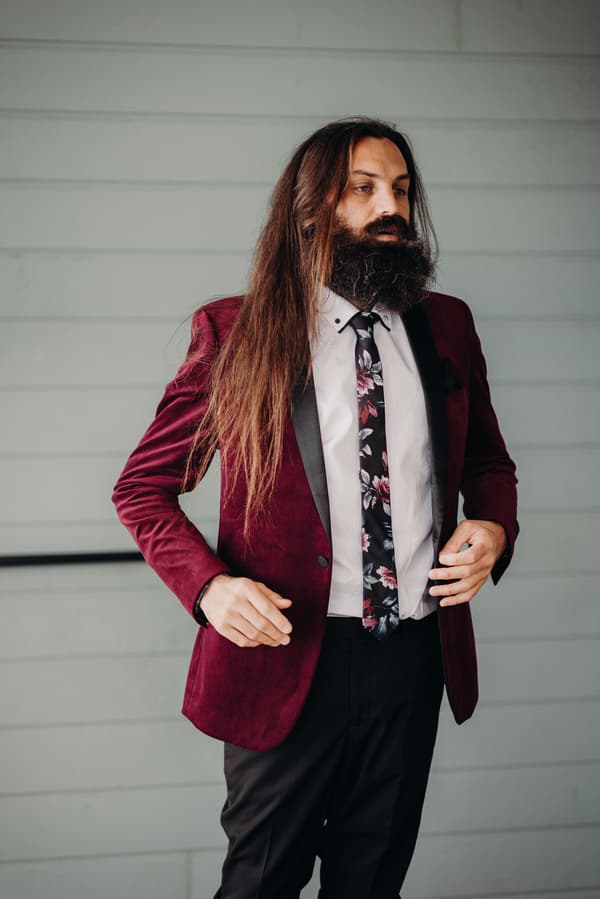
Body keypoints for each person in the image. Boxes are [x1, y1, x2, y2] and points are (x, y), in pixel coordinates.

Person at [112, 116, 519, 899]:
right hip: (284, 659)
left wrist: (492, 529)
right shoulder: (236, 333)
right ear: (311, 211)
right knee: (262, 883)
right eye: (362, 189)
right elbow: (142, 487)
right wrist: (209, 587)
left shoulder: (449, 327)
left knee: (372, 884)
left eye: (400, 189)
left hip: (412, 655)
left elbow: (486, 462)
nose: (390, 207)